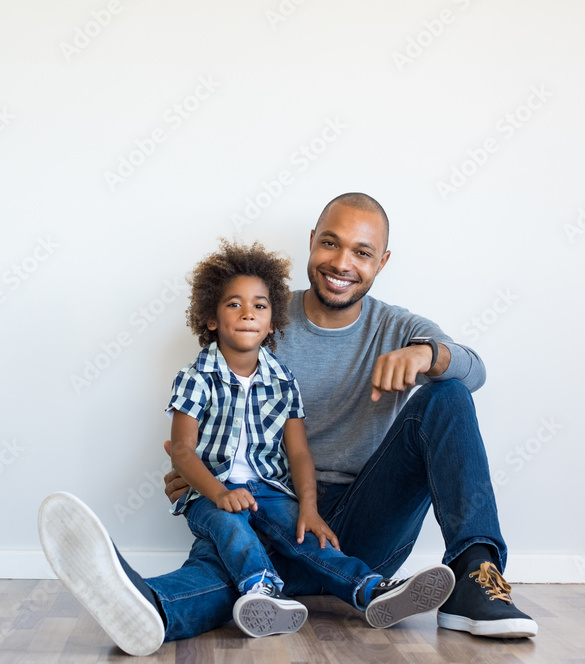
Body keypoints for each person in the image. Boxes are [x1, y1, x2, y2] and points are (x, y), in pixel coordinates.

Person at [38, 192, 537, 656]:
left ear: (382, 263)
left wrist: (430, 355)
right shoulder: (260, 313)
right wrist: (202, 477)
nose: (342, 263)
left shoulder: (398, 327)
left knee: (447, 392)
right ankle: (146, 604)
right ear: (312, 242)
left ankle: (475, 575)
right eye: (330, 243)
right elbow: (209, 422)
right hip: (267, 507)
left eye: (362, 253)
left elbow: (475, 369)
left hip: (363, 526)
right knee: (236, 576)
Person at [164, 240, 455, 639]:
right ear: (211, 318)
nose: (248, 313)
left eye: (260, 306)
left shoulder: (282, 381)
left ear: (273, 322)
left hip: (270, 490)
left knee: (309, 537)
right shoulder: (195, 379)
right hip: (209, 496)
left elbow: (298, 451)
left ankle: (371, 590)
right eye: (234, 304)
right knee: (232, 530)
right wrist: (217, 492)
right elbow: (181, 450)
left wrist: (310, 507)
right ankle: (261, 592)